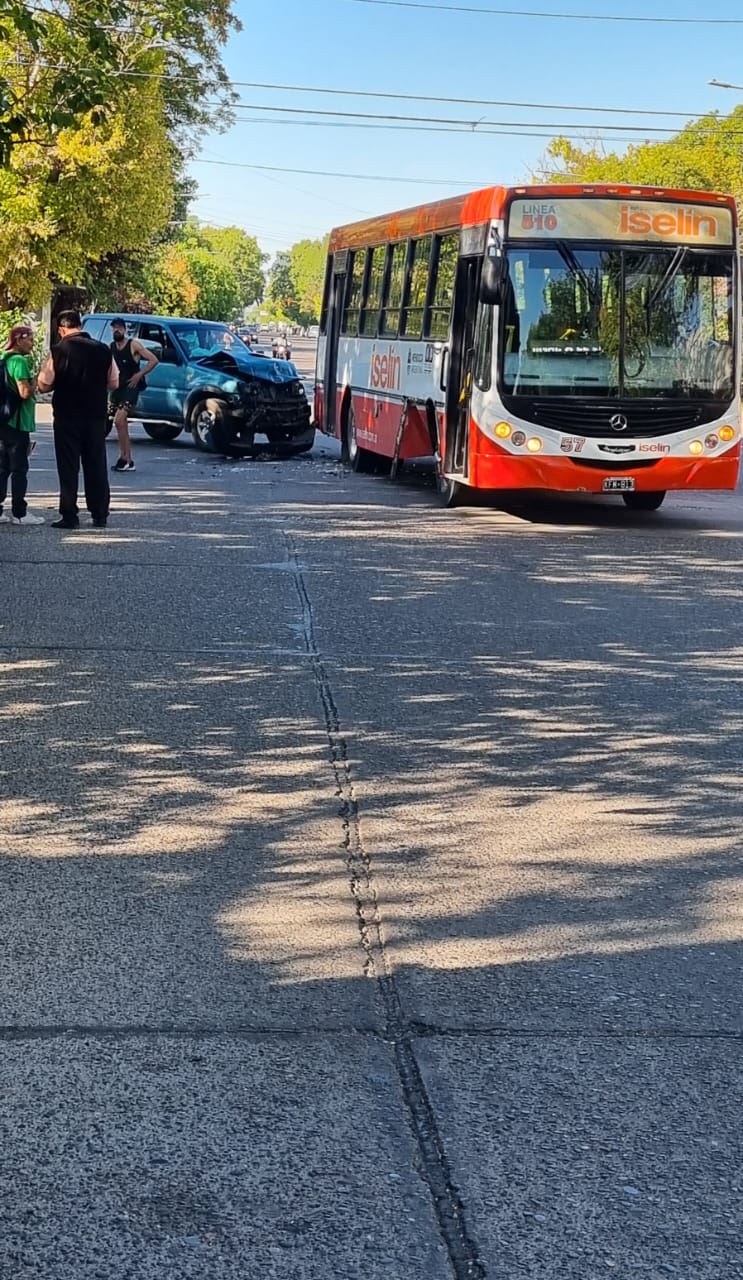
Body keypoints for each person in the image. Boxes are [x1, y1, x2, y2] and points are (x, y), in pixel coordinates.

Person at [37, 310, 118, 529]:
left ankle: (69, 515)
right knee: (96, 464)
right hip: (95, 416)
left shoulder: (58, 351)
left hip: (67, 416)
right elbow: (114, 382)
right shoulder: (103, 350)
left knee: (68, 466)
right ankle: (100, 514)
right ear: (80, 325)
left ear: (61, 329)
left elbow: (44, 383)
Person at [0, 325, 44, 525]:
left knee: (2, 468)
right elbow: (25, 393)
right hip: (17, 422)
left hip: (2, 421)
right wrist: (35, 382)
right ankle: (20, 513)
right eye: (30, 340)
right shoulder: (19, 361)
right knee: (19, 468)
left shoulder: (2, 357)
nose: (32, 344)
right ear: (19, 339)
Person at [109, 318, 159, 472]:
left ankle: (126, 458)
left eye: (119, 328)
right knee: (121, 424)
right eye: (114, 328)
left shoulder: (133, 345)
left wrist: (139, 374)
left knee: (119, 420)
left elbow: (153, 360)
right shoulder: (111, 347)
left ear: (124, 330)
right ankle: (126, 459)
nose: (116, 331)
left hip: (131, 387)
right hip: (118, 387)